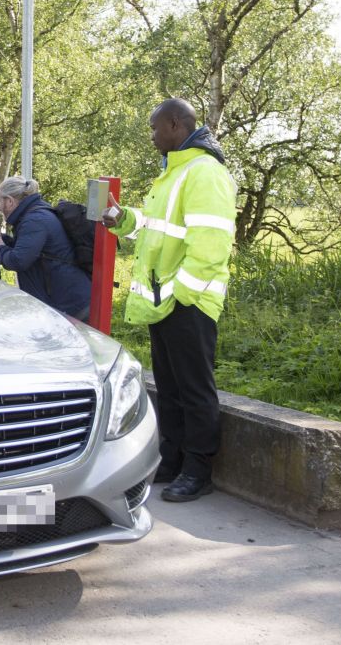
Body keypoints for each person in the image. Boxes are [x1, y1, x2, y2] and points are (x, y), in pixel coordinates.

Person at [102, 97, 237, 503]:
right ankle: (173, 459)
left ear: (176, 125)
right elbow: (154, 227)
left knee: (195, 390)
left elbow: (211, 244)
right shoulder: (173, 173)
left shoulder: (204, 172)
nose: (152, 135)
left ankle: (198, 470)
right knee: (172, 387)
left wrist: (185, 296)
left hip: (187, 302)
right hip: (168, 302)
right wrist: (122, 219)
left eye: (155, 127)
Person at [0, 176, 91, 320]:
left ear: (9, 201)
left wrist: (0, 248)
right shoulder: (36, 214)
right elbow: (33, 251)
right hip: (64, 299)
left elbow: (18, 260)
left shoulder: (34, 220)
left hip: (68, 304)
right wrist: (2, 239)